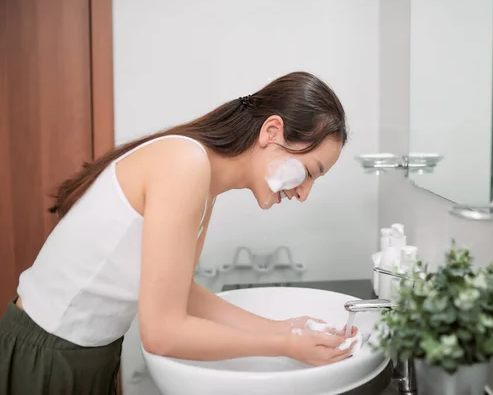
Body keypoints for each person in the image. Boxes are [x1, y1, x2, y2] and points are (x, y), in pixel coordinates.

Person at [0, 71, 356, 394]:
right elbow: (162, 333)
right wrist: (285, 345)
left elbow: (180, 294)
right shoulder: (184, 164)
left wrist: (284, 328)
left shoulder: (205, 183)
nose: (304, 193)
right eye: (309, 172)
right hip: (46, 355)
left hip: (90, 355)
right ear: (272, 131)